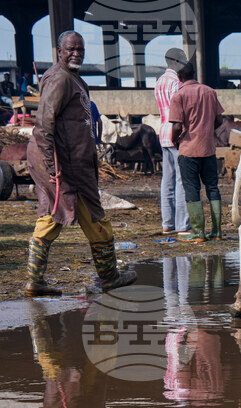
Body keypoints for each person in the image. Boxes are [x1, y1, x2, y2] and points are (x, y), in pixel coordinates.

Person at [24, 30, 136, 296]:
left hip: (70, 163)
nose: (76, 53)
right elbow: (43, 126)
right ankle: (109, 277)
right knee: (95, 217)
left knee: (51, 217)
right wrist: (54, 169)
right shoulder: (60, 79)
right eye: (71, 49)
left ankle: (35, 281)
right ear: (59, 52)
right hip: (66, 166)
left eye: (80, 49)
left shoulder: (71, 78)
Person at [169, 56, 225, 242]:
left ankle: (198, 233)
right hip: (209, 149)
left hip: (188, 150)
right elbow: (219, 120)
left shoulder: (179, 95)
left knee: (192, 189)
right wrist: (207, 130)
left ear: (179, 76)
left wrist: (174, 140)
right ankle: (217, 232)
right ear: (194, 74)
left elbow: (177, 126)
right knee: (212, 188)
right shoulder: (210, 92)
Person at [154, 48, 190, 234]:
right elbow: (180, 113)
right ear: (176, 62)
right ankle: (182, 225)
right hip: (176, 134)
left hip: (163, 133)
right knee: (181, 181)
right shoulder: (177, 83)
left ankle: (167, 224)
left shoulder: (159, 82)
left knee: (166, 181)